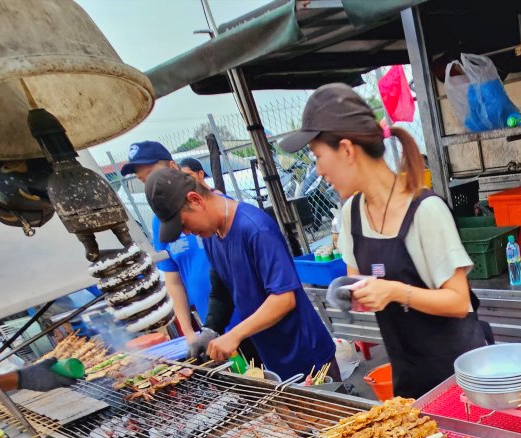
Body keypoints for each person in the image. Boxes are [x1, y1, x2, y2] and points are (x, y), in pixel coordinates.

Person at [277, 84, 491, 399]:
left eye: (319, 156)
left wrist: (394, 291)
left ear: (347, 150)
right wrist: (349, 292)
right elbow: (363, 285)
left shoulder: (424, 210)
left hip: (461, 376)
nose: (319, 171)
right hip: (409, 377)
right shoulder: (351, 213)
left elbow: (459, 302)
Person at [146, 167, 338, 379]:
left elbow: (284, 299)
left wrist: (235, 335)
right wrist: (210, 331)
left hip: (306, 353)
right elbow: (221, 291)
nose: (187, 233)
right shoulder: (212, 235)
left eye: (184, 225)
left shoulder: (255, 229)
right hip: (271, 353)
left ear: (196, 200)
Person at [119, 141, 212, 336]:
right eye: (144, 181)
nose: (150, 186)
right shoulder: (160, 223)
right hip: (214, 323)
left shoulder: (213, 207)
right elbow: (173, 278)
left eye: (153, 174)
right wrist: (188, 332)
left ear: (172, 167)